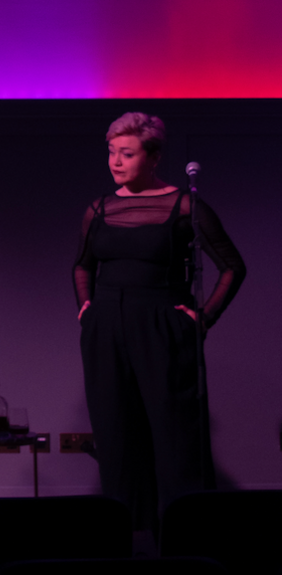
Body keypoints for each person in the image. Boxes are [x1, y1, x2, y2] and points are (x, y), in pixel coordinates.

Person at [73, 112, 246, 534]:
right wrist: (87, 309)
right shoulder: (98, 208)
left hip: (162, 325)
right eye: (112, 152)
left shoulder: (185, 204)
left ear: (153, 157)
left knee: (175, 438)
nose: (115, 161)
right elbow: (82, 266)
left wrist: (203, 318)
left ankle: (186, 541)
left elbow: (232, 267)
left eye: (126, 153)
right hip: (107, 328)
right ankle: (128, 539)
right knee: (115, 437)